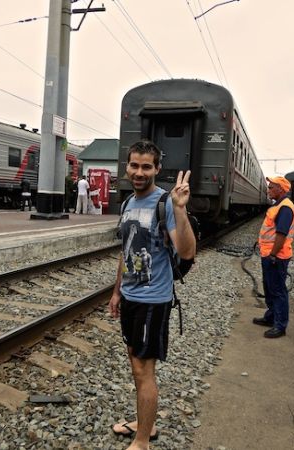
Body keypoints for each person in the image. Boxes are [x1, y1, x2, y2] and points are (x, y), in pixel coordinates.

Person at [109, 140, 196, 449]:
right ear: (127, 167)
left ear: (157, 169)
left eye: (147, 166)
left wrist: (180, 210)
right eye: (134, 165)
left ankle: (143, 439)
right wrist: (117, 291)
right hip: (131, 297)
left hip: (153, 301)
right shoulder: (127, 203)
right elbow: (126, 250)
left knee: (143, 370)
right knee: (136, 364)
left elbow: (187, 252)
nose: (139, 172)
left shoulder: (166, 203)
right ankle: (143, 422)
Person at [253, 176, 294, 339]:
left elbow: (281, 234)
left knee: (278, 291)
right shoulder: (278, 205)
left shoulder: (285, 207)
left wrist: (272, 254)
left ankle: (280, 325)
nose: (268, 190)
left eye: (271, 187)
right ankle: (271, 317)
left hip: (277, 256)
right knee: (270, 288)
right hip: (269, 255)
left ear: (280, 189)